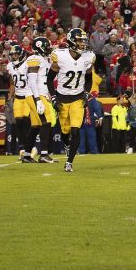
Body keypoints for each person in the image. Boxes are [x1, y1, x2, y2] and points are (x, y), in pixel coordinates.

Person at [48, 27, 99, 173]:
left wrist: (86, 93)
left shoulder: (88, 57)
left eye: (83, 41)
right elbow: (49, 79)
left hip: (77, 98)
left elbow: (89, 79)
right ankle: (67, 145)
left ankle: (69, 162)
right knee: (65, 131)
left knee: (76, 130)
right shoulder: (60, 56)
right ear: (71, 41)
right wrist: (53, 97)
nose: (83, 44)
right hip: (62, 98)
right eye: (79, 41)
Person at [8, 40, 51, 164]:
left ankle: (27, 155)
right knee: (46, 121)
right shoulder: (34, 58)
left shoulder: (41, 59)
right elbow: (32, 79)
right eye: (46, 47)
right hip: (34, 94)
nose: (48, 49)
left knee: (36, 125)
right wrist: (37, 99)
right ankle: (44, 154)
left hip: (36, 94)